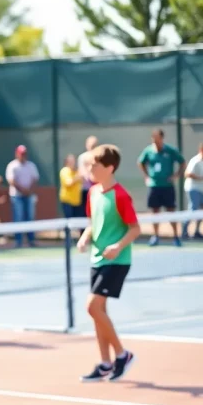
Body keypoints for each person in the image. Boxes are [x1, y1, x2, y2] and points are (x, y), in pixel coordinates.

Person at [77, 144, 139, 382]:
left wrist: (118, 246)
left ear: (109, 168)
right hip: (97, 259)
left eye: (95, 164)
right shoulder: (93, 193)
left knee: (92, 307)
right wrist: (85, 237)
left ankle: (122, 355)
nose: (90, 168)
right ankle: (105, 362)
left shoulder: (121, 195)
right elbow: (93, 223)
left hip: (117, 260)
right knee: (98, 311)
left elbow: (135, 229)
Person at [137, 129, 185, 246]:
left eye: (158, 139)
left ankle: (176, 236)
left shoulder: (170, 151)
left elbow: (182, 162)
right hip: (154, 186)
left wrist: (176, 175)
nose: (156, 142)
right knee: (155, 212)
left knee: (171, 211)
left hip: (167, 186)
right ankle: (155, 236)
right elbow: (140, 162)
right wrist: (147, 176)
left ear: (162, 138)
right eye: (154, 139)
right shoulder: (148, 151)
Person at [182, 142, 203, 240]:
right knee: (193, 210)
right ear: (202, 150)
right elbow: (187, 174)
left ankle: (197, 232)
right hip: (192, 188)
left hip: (200, 189)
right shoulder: (195, 160)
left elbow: (202, 175)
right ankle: (184, 232)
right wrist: (201, 177)